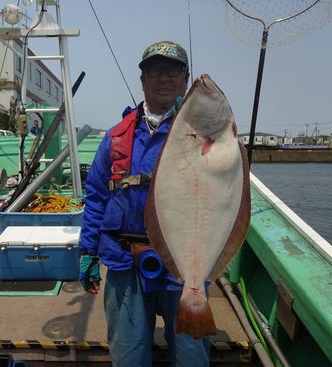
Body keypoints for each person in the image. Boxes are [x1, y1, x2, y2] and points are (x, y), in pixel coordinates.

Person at [79, 41, 210, 366]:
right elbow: (96, 197)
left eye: (173, 70)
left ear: (185, 78)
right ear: (142, 78)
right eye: (154, 70)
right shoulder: (115, 137)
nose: (163, 78)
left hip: (184, 266)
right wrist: (88, 252)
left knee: (192, 357)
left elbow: (224, 199)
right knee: (128, 356)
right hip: (125, 263)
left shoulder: (204, 136)